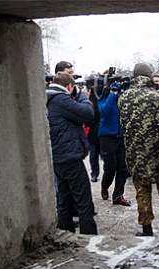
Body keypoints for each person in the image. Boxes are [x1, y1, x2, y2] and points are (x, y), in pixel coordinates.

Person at [118, 63, 159, 236]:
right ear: (149, 76)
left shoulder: (123, 98)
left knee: (142, 192)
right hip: (158, 154)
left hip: (135, 154)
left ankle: (147, 230)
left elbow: (123, 124)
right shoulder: (158, 97)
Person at [46, 72, 97, 235]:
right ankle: (89, 239)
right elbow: (88, 113)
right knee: (84, 203)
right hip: (70, 159)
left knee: (65, 201)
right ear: (69, 86)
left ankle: (66, 236)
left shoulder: (48, 98)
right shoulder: (60, 99)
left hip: (59, 158)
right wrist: (82, 96)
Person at [97, 82, 131, 206]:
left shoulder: (122, 98)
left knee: (122, 168)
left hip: (121, 137)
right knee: (110, 167)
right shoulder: (103, 98)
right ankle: (105, 185)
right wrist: (112, 94)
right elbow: (104, 112)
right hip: (107, 137)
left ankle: (118, 195)